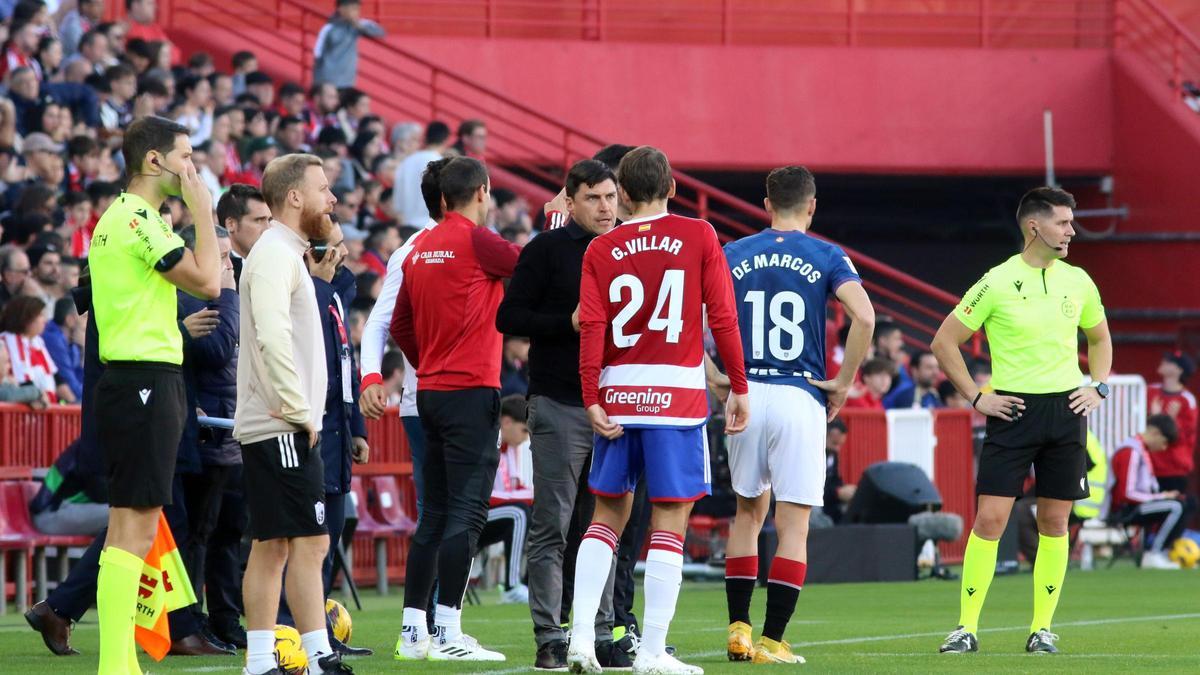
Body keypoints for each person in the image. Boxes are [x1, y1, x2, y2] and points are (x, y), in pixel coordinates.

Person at [567, 146, 750, 675]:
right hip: (676, 398)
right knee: (670, 521)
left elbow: (593, 329)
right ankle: (651, 651)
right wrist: (738, 385)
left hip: (619, 393)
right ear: (671, 187)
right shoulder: (699, 235)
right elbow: (722, 317)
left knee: (605, 517)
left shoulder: (602, 248)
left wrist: (592, 398)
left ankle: (581, 642)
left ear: (621, 194)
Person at [931, 187, 1111, 655]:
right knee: (990, 520)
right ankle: (965, 628)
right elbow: (944, 342)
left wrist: (1099, 386)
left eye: (1071, 222)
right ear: (1035, 226)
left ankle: (1042, 630)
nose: (1072, 230)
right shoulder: (995, 281)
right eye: (1064, 222)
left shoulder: (1079, 280)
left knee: (1056, 522)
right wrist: (976, 397)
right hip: (1013, 411)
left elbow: (1099, 337)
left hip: (1066, 411)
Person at [720, 165, 873, 664]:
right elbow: (865, 317)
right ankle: (771, 641)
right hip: (797, 393)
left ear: (766, 203)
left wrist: (712, 371)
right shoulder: (827, 255)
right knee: (794, 524)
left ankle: (738, 629)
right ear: (811, 206)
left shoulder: (734, 252)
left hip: (745, 393)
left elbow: (692, 314)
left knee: (746, 514)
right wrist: (844, 381)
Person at [87, 115, 221, 673]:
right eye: (185, 156)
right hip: (143, 378)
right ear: (154, 161)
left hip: (136, 377)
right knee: (135, 527)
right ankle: (116, 664)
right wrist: (204, 211)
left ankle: (119, 661)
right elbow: (210, 281)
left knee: (130, 527)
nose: (191, 167)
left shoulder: (121, 217)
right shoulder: (139, 220)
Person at [495, 158, 631, 670]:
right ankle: (550, 637)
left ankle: (597, 632)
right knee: (552, 525)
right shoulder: (547, 249)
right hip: (559, 402)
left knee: (605, 527)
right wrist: (567, 322)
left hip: (618, 403)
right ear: (569, 201)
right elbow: (507, 316)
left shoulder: (628, 247)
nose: (604, 207)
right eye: (593, 198)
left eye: (610, 197)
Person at [390, 156, 520, 662]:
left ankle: (412, 633)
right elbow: (528, 268)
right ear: (482, 191)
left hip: (430, 394)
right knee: (466, 511)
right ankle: (447, 632)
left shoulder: (419, 246)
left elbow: (402, 324)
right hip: (470, 393)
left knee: (435, 515)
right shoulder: (477, 240)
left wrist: (431, 362)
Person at [234, 153, 352, 675]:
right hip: (282, 421)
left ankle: (267, 660)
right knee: (304, 541)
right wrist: (299, 408)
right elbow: (270, 333)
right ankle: (313, 654)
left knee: (279, 543)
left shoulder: (284, 253)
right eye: (323, 189)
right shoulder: (276, 254)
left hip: (282, 419)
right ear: (295, 196)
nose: (332, 199)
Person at [295, 219, 372, 657]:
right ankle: (304, 635)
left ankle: (320, 635)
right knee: (312, 541)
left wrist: (357, 426)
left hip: (339, 433)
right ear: (317, 252)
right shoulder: (310, 293)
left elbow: (346, 362)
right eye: (338, 246)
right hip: (314, 431)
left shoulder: (337, 294)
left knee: (331, 535)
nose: (345, 254)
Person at [174, 224, 244, 648]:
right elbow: (218, 351)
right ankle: (192, 620)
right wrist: (230, 293)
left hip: (229, 431)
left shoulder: (222, 300)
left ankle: (221, 618)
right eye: (216, 255)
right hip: (205, 433)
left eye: (227, 257)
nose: (226, 265)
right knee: (199, 533)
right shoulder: (188, 298)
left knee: (227, 533)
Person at [1109, 415, 1197, 569]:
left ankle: (1164, 551)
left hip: (1138, 505)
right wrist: (1162, 496)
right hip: (1125, 509)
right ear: (1155, 433)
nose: (1164, 448)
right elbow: (1126, 494)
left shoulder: (1141, 450)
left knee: (1189, 503)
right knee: (1175, 506)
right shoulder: (1131, 451)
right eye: (1164, 442)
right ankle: (1153, 554)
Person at [480, 394, 534, 604]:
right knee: (518, 512)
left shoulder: (510, 448)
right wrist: (531, 496)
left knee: (544, 513)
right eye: (524, 430)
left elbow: (512, 488)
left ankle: (532, 584)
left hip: (493, 513)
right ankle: (511, 587)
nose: (526, 437)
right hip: (476, 513)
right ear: (507, 422)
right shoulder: (488, 442)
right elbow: (487, 495)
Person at [1147, 351, 1197, 494]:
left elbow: (1185, 437)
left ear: (1179, 370)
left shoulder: (1187, 400)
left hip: (1173, 470)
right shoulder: (1150, 390)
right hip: (1149, 466)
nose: (1163, 361)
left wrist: (1168, 421)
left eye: (1170, 361)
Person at [312, 0, 385, 88]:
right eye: (353, 9)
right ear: (341, 9)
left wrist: (360, 27)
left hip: (348, 80)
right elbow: (318, 53)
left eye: (358, 9)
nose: (356, 12)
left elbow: (381, 31)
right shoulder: (329, 28)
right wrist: (318, 80)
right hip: (328, 79)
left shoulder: (359, 24)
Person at [391, 120, 451, 226]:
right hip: (430, 227)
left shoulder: (406, 162)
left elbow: (396, 203)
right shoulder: (442, 165)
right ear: (446, 140)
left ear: (425, 138)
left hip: (406, 227)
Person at [217, 183, 271, 286]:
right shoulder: (214, 274)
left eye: (270, 220)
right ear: (231, 224)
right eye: (259, 220)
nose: (268, 229)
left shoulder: (275, 264)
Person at [822, 418, 855, 524]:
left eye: (840, 444)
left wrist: (844, 490)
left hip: (829, 501)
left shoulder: (832, 455)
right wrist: (837, 492)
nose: (838, 449)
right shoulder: (812, 456)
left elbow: (834, 480)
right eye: (834, 443)